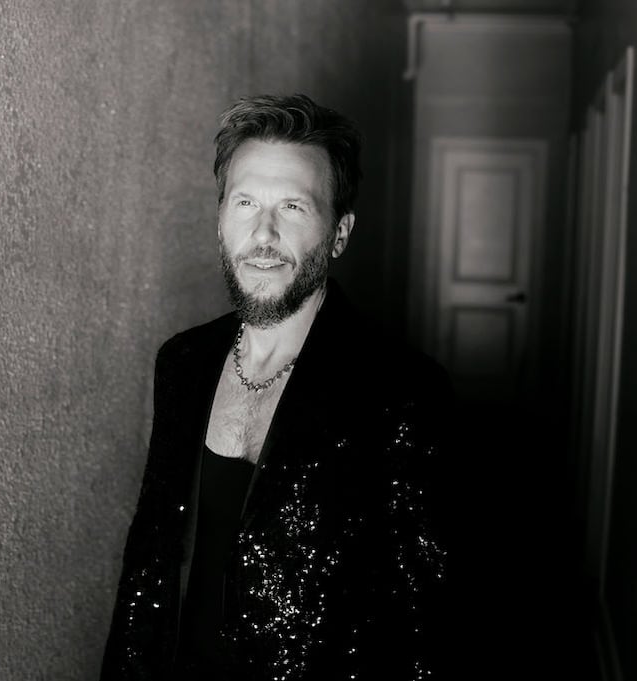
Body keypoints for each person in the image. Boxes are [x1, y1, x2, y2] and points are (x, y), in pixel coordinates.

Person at [101, 93, 452, 680]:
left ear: (339, 233)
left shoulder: (403, 390)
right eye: (245, 203)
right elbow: (148, 561)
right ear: (220, 219)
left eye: (292, 206)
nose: (262, 233)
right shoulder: (181, 363)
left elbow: (425, 623)